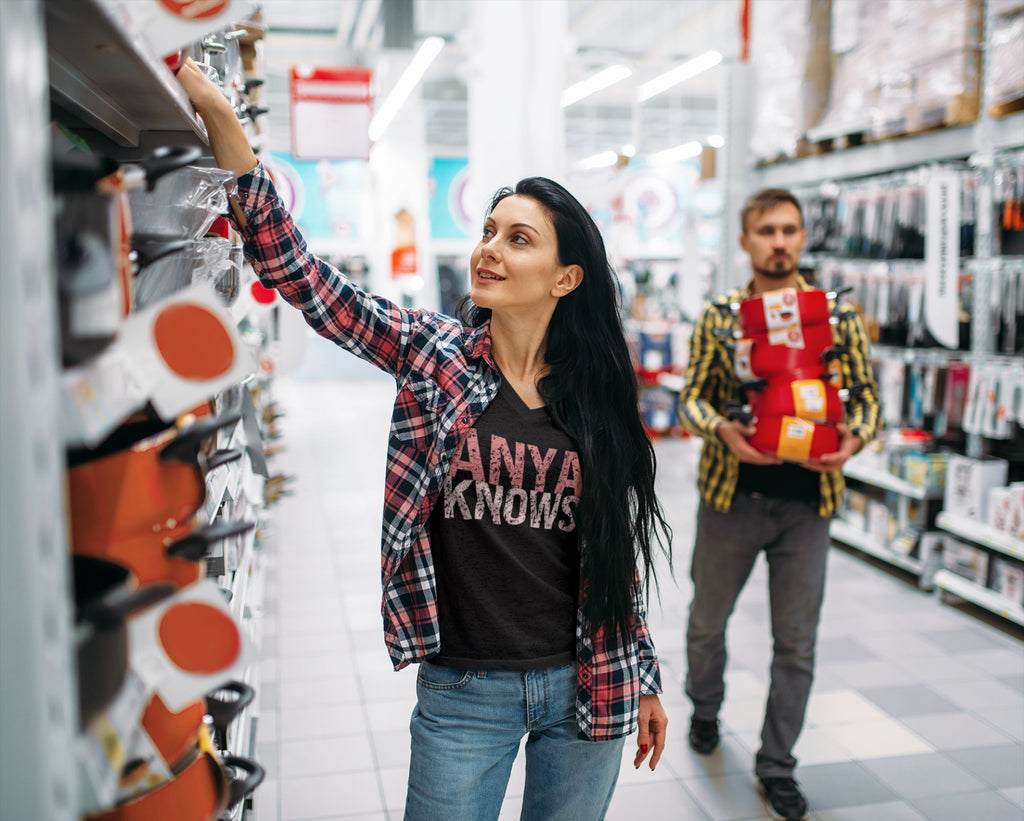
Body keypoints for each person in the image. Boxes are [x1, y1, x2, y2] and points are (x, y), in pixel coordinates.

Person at [174, 59, 673, 820]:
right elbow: (304, 278)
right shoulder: (433, 354)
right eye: (486, 232)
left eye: (518, 238)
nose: (488, 249)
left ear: (565, 278)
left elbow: (613, 555)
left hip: (588, 681)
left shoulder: (596, 397)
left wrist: (645, 675)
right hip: (465, 687)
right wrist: (219, 115)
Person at [677, 189, 880, 821]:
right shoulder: (722, 317)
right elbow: (692, 400)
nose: (780, 241)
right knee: (708, 623)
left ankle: (776, 765)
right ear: (745, 240)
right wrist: (724, 431)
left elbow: (867, 401)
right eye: (766, 230)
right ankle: (704, 708)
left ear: (802, 237)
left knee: (796, 643)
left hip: (807, 506)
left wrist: (855, 437)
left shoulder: (836, 318)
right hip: (730, 496)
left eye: (789, 229)